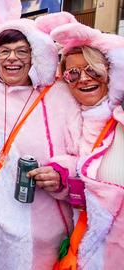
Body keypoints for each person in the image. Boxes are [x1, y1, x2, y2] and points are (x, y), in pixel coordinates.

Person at [0, 0, 81, 268]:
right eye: (4, 51)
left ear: (36, 54)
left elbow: (84, 155)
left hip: (41, 233)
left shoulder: (60, 95)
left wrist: (61, 172)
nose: (11, 58)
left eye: (21, 51)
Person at [48, 21, 124, 270]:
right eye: (73, 73)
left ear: (110, 71)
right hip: (85, 248)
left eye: (92, 70)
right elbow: (80, 165)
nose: (83, 79)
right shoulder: (72, 117)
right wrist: (60, 173)